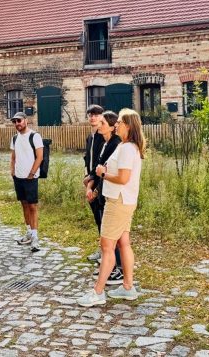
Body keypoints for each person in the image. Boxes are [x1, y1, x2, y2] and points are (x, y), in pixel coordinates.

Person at [77, 108, 146, 307]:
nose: (117, 125)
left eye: (121, 123)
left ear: (129, 126)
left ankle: (98, 292)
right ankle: (127, 287)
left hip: (118, 201)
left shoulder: (126, 148)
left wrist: (103, 173)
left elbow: (123, 178)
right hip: (125, 200)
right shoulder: (128, 146)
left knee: (107, 246)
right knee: (124, 243)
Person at [85, 111, 124, 286]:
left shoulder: (115, 144)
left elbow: (107, 170)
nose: (98, 126)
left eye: (101, 123)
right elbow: (97, 167)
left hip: (111, 193)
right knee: (107, 231)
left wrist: (95, 186)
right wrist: (90, 182)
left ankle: (116, 268)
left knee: (112, 234)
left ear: (110, 126)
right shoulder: (105, 143)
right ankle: (111, 265)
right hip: (102, 190)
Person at [10, 112, 44, 252]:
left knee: (32, 206)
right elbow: (13, 156)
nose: (17, 123)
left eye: (19, 120)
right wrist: (12, 170)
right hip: (18, 177)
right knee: (24, 205)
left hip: (30, 177)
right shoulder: (14, 138)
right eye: (15, 121)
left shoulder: (34, 136)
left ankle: (35, 237)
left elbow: (40, 156)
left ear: (26, 120)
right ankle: (29, 232)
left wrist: (31, 173)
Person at [82, 104, 104, 262]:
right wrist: (86, 176)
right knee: (97, 217)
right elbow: (87, 159)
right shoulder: (90, 137)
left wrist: (92, 181)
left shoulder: (104, 137)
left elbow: (101, 162)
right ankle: (102, 249)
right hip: (90, 179)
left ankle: (107, 252)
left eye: (96, 114)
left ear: (102, 117)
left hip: (100, 181)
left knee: (104, 218)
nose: (93, 117)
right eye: (90, 114)